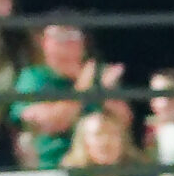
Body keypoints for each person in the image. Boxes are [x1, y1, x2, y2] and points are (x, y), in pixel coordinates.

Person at [9, 23, 128, 168]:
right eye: (58, 37)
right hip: (53, 166)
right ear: (43, 42)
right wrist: (82, 88)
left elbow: (124, 123)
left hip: (103, 165)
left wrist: (107, 93)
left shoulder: (97, 74)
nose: (67, 43)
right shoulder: (33, 78)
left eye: (73, 36)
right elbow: (51, 122)